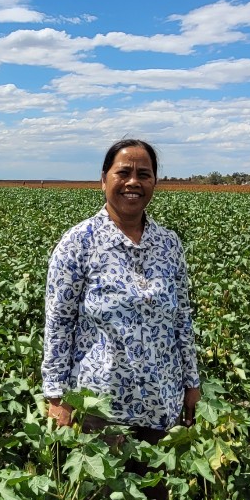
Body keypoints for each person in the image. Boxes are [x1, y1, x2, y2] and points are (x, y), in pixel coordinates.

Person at [42, 139, 201, 441]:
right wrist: (55, 396)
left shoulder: (168, 244)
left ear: (154, 182)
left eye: (144, 174)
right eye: (123, 173)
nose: (133, 182)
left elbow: (181, 318)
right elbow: (58, 323)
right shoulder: (79, 243)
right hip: (99, 410)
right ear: (103, 180)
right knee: (104, 489)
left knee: (156, 486)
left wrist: (191, 383)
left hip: (161, 404)